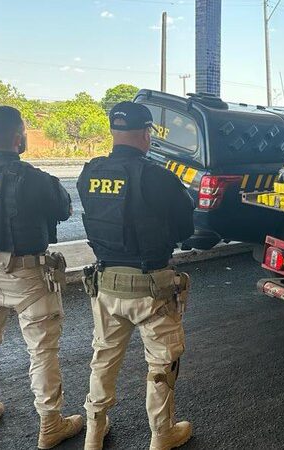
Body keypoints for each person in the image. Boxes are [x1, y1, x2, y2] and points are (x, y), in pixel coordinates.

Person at [0, 106, 83, 449]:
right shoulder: (33, 179)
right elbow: (64, 208)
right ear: (17, 136)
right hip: (28, 276)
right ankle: (51, 425)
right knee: (42, 352)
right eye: (24, 130)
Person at [77, 101, 195, 450]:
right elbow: (185, 229)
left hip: (106, 286)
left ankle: (93, 433)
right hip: (152, 289)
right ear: (147, 135)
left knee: (104, 360)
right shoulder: (159, 177)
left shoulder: (90, 173)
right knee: (161, 363)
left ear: (114, 132)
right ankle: (162, 435)